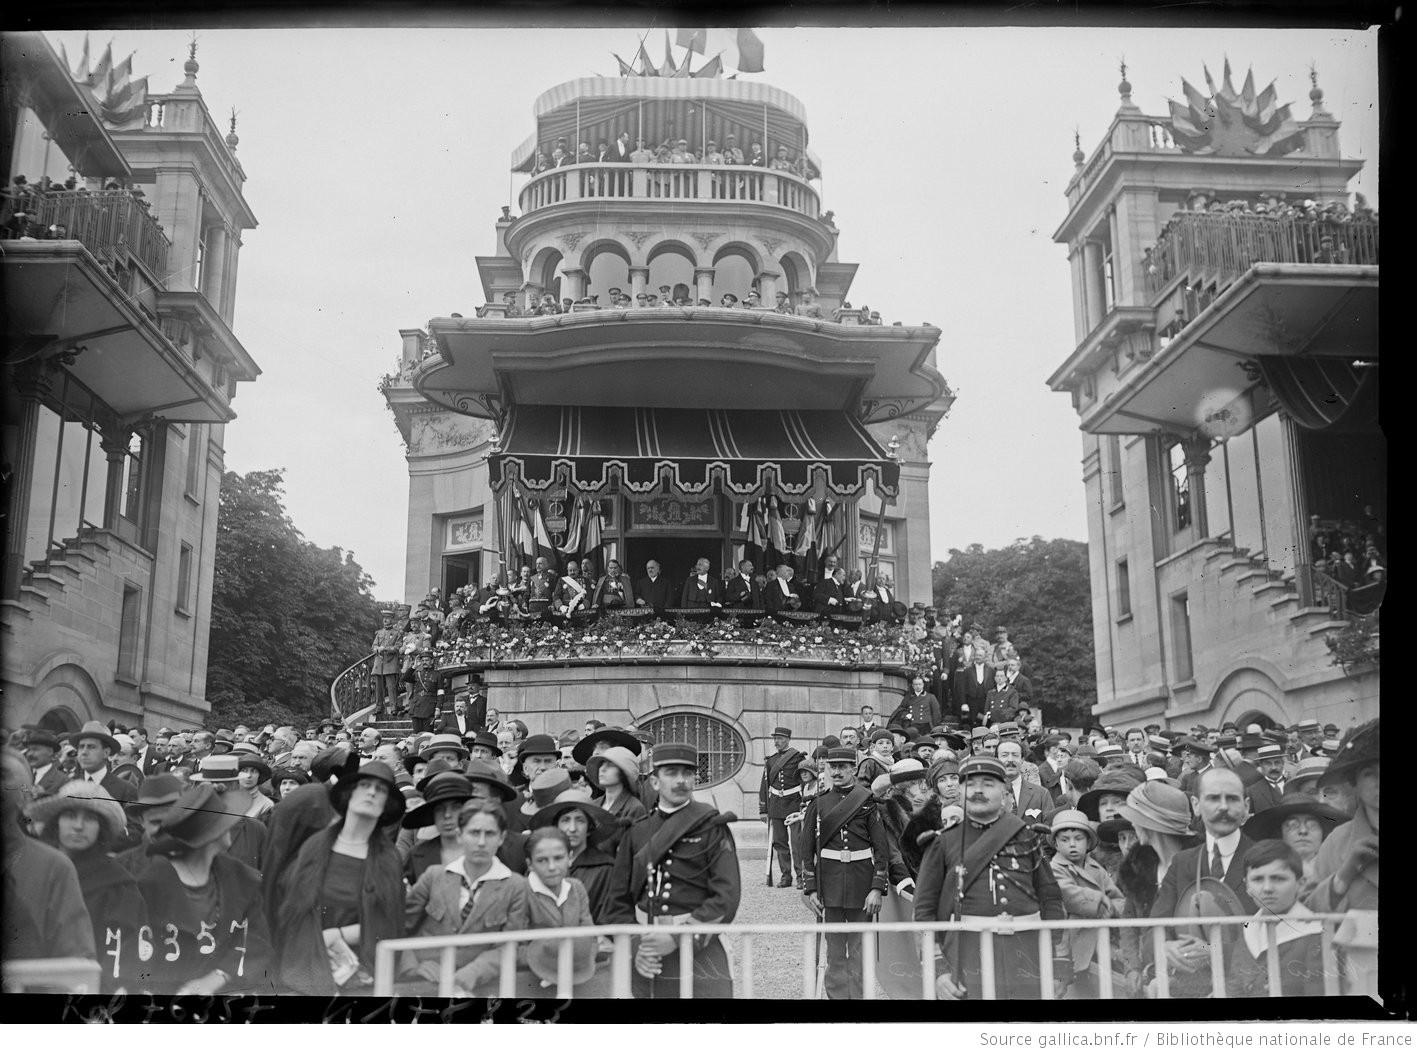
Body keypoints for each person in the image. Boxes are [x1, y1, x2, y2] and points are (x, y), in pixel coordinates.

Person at [915, 755, 1064, 999]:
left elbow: (1051, 901)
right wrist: (939, 969)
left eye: (988, 784)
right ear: (961, 791)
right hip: (967, 957)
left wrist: (1058, 965)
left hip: (1028, 955)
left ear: (1005, 792)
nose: (978, 791)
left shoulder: (1026, 837)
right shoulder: (943, 842)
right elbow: (924, 911)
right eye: (970, 784)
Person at [607, 743, 741, 998]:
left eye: (687, 773)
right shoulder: (636, 831)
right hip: (647, 954)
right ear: (655, 782)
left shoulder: (712, 827)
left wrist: (677, 939)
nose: (681, 780)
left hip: (700, 951)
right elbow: (617, 901)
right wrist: (637, 948)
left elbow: (726, 897)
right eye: (671, 772)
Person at [274, 759, 407, 994]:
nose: (372, 792)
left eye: (381, 789)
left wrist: (338, 935)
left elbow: (389, 923)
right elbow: (291, 906)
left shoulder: (388, 858)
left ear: (387, 803)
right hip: (304, 964)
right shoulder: (314, 846)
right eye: (365, 785)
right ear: (349, 794)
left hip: (360, 972)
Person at [137, 783, 276, 994]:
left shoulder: (241, 878)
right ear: (211, 834)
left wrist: (218, 977)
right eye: (226, 821)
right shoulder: (149, 883)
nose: (234, 824)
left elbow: (256, 943)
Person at [25, 781, 148, 991]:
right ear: (56, 823)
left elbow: (126, 954)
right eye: (70, 816)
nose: (79, 826)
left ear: (101, 829)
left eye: (90, 819)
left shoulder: (118, 884)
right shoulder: (33, 871)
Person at [402, 801, 530, 995]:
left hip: (484, 987)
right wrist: (413, 966)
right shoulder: (434, 876)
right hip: (426, 983)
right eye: (474, 833)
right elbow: (401, 925)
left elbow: (512, 944)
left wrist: (475, 971)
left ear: (502, 838)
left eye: (490, 834)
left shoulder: (515, 886)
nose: (481, 842)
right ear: (460, 835)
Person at [801, 746, 892, 999]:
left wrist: (876, 888)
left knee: (860, 948)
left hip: (862, 884)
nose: (837, 772)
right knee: (835, 950)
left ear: (854, 769)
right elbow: (806, 852)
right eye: (833, 767)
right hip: (828, 885)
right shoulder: (817, 804)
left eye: (843, 767)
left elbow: (881, 850)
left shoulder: (867, 803)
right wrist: (811, 889)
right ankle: (838, 999)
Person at [1225, 840, 1330, 997]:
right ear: (1247, 886)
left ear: (1300, 884)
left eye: (1278, 879)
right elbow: (1234, 989)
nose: (1267, 888)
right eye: (1258, 879)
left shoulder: (1316, 935)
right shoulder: (1248, 929)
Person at [1304, 719, 1377, 914]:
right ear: (1354, 783)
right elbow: (1307, 913)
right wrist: (1344, 874)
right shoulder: (1337, 841)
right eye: (1370, 774)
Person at [1049, 809, 1125, 999]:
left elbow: (1118, 898)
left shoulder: (1095, 868)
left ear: (1088, 842)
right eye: (1065, 840)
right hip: (1071, 942)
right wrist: (1099, 903)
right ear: (1056, 844)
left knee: (1108, 984)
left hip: (1103, 937)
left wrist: (1112, 908)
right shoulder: (1054, 868)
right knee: (1076, 989)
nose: (1072, 844)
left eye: (1078, 838)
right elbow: (1068, 893)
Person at [519, 825, 602, 996]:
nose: (551, 866)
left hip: (578, 974)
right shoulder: (521, 891)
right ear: (530, 864)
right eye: (542, 860)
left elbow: (589, 934)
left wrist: (583, 958)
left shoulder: (576, 887)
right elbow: (515, 943)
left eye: (558, 858)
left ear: (570, 857)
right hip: (531, 980)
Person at [531, 790, 618, 924]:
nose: (572, 828)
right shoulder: (539, 865)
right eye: (565, 820)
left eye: (580, 820)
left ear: (589, 828)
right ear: (556, 826)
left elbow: (609, 916)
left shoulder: (606, 869)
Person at [759, 727, 804, 887]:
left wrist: (805, 805)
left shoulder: (798, 758)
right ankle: (786, 876)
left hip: (794, 803)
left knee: (797, 842)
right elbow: (764, 786)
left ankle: (801, 876)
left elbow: (804, 781)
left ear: (788, 739)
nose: (777, 742)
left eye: (780, 738)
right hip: (776, 805)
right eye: (775, 738)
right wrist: (763, 809)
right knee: (780, 843)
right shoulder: (771, 761)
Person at [371, 609, 403, 718]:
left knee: (391, 686)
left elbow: (398, 647)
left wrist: (385, 648)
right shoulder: (379, 633)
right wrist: (376, 649)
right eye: (384, 618)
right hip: (379, 661)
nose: (385, 620)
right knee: (378, 687)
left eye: (388, 618)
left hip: (390, 661)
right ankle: (379, 707)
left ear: (392, 620)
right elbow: (374, 645)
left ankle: (393, 707)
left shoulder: (397, 633)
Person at [403, 653, 442, 735]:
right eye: (423, 660)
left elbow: (440, 693)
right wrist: (414, 666)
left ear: (432, 661)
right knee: (416, 734)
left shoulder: (438, 675)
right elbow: (405, 678)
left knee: (427, 735)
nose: (424, 662)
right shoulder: (418, 673)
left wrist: (438, 708)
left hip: (429, 709)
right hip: (416, 708)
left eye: (427, 660)